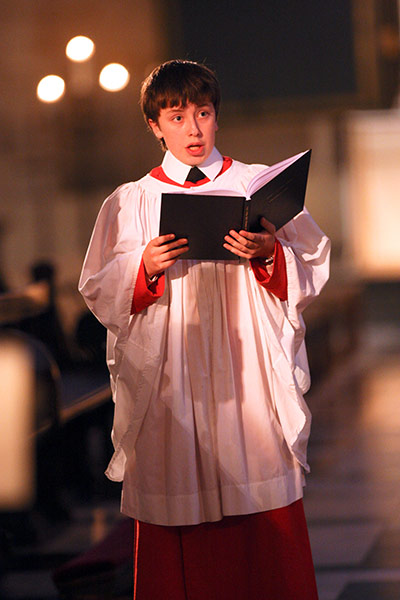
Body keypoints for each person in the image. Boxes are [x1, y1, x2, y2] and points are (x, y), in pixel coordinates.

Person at [79, 59, 330, 599]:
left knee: (264, 506)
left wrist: (270, 254)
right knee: (179, 508)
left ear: (217, 116)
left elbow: (314, 259)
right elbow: (99, 288)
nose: (193, 130)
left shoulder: (254, 184)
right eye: (177, 117)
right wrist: (144, 266)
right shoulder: (131, 202)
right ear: (155, 125)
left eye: (204, 113)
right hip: (173, 381)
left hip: (249, 384)